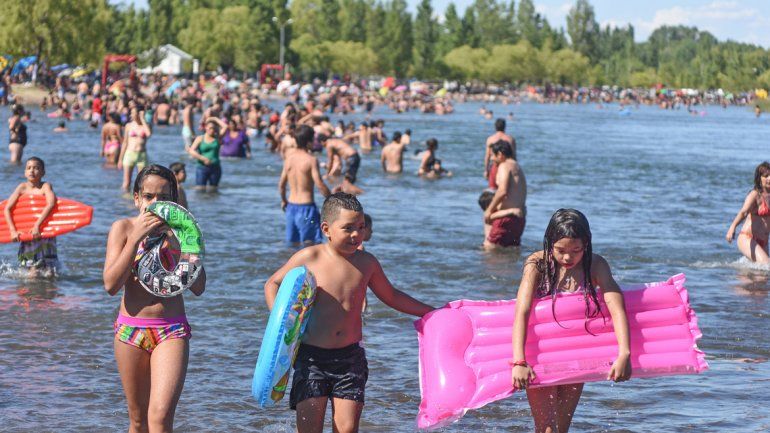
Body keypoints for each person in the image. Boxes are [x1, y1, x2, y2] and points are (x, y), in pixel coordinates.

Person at [263, 192, 433, 433]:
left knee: (347, 429)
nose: (357, 234)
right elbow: (272, 284)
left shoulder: (367, 263)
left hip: (350, 359)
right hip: (311, 358)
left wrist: (430, 312)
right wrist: (280, 323)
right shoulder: (309, 257)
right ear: (326, 228)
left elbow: (392, 296)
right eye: (348, 228)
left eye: (361, 227)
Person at [103, 164, 206, 433]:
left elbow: (199, 287)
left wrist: (180, 245)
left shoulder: (182, 233)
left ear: (173, 201)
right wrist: (136, 237)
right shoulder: (123, 228)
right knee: (138, 422)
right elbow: (111, 284)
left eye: (163, 198)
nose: (156, 204)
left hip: (170, 330)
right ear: (137, 198)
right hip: (130, 330)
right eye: (149, 197)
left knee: (159, 419)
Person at [511, 209, 631, 433]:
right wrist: (519, 362)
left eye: (576, 250)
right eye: (560, 250)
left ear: (586, 244)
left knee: (562, 428)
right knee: (546, 428)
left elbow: (617, 307)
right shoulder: (537, 263)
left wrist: (624, 353)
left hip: (575, 353)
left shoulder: (595, 265)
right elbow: (522, 310)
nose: (568, 257)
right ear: (550, 243)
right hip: (540, 353)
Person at [3, 157, 59, 274]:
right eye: (29, 168)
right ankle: (31, 292)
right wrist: (13, 231)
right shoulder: (22, 187)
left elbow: (51, 204)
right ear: (25, 172)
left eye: (36, 168)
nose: (32, 171)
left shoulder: (45, 187)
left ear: (43, 172)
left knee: (50, 272)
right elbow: (7, 208)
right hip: (27, 235)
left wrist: (37, 225)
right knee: (31, 272)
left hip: (44, 235)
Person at [279, 125, 331, 247]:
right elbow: (319, 184)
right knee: (311, 245)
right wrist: (332, 198)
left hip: (291, 208)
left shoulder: (288, 159)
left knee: (293, 244)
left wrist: (284, 200)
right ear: (308, 142)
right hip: (307, 210)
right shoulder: (311, 160)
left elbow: (281, 185)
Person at [483, 142, 526, 248]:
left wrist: (489, 210)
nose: (492, 158)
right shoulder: (517, 166)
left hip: (505, 220)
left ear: (500, 154)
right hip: (519, 220)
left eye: (493, 155)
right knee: (510, 253)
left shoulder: (504, 165)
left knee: (489, 250)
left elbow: (502, 191)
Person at [726, 161, 770, 263]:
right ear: (759, 179)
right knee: (767, 265)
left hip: (764, 242)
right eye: (766, 176)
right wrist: (732, 228)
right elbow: (743, 212)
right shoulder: (755, 195)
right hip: (747, 238)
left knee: (761, 277)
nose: (769, 178)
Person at [188, 117, 227, 192]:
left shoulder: (217, 137)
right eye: (210, 128)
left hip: (215, 167)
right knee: (200, 189)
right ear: (206, 127)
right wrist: (203, 158)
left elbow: (225, 126)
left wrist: (214, 119)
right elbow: (191, 151)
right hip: (202, 168)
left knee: (214, 190)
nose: (212, 130)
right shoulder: (200, 138)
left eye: (214, 128)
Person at [119, 107, 152, 192]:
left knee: (141, 183)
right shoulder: (128, 126)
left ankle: (138, 200)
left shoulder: (146, 125)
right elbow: (125, 142)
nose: (131, 115)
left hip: (141, 155)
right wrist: (120, 159)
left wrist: (142, 119)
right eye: (131, 113)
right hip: (129, 154)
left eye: (133, 113)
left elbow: (148, 134)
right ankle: (124, 201)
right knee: (126, 183)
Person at [484, 118, 515, 189]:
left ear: (495, 127)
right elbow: (514, 156)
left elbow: (487, 156)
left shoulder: (490, 139)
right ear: (505, 127)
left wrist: (486, 170)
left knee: (493, 189)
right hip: (507, 166)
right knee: (507, 189)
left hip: (495, 166)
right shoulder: (510, 139)